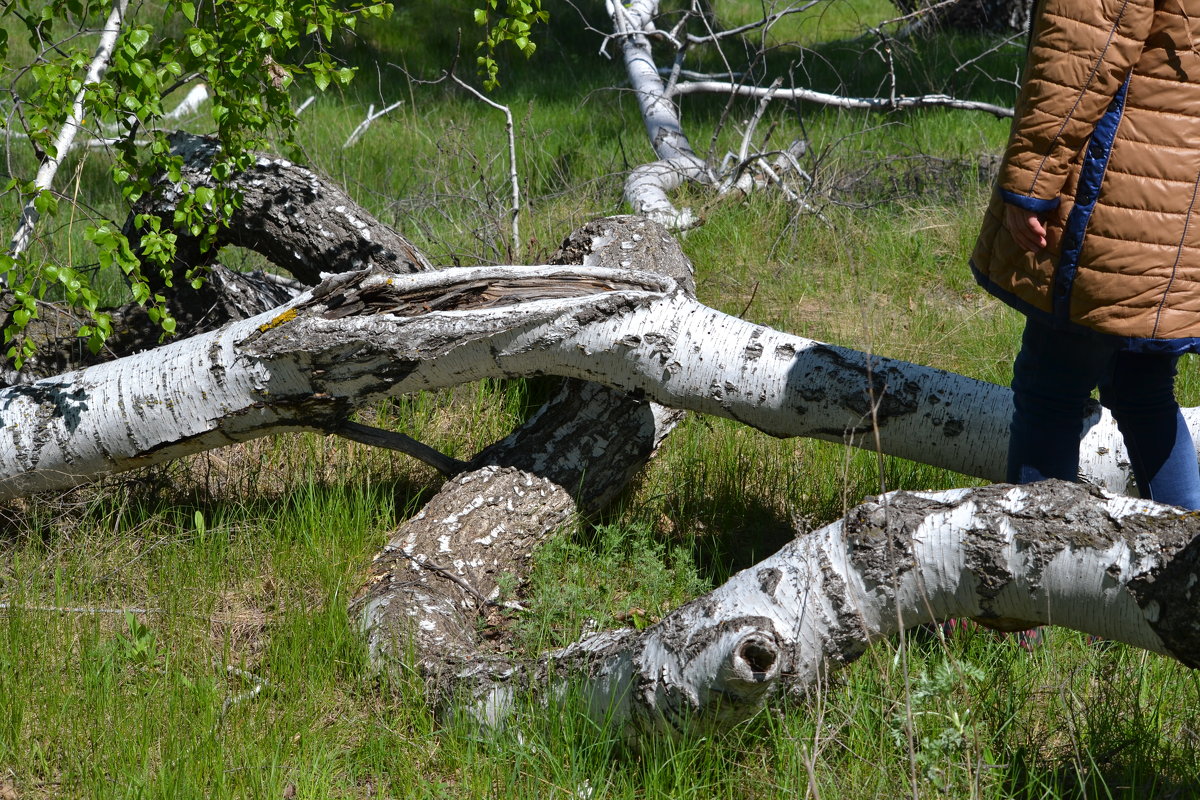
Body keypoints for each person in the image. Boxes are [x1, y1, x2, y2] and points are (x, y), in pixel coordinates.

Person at [971, 0, 1200, 510]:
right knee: (1142, 390)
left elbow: (1084, 46)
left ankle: (1036, 581)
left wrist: (1032, 176)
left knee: (1049, 389)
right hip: (1176, 200)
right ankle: (1186, 579)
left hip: (1115, 191)